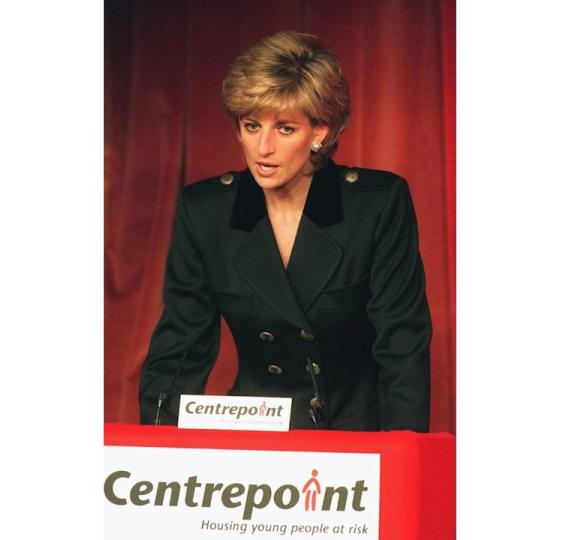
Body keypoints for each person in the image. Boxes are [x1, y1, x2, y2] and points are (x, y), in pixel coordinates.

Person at [138, 31, 431, 431]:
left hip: (353, 441)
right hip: (253, 442)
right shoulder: (207, 211)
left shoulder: (376, 204)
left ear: (320, 132)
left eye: (285, 129)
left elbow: (402, 347)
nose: (263, 148)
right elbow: (179, 349)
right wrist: (158, 452)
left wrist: (403, 458)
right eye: (252, 125)